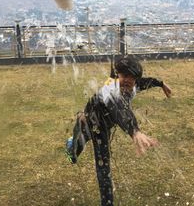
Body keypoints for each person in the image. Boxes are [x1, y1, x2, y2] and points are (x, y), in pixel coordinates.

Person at [65, 56, 172, 206]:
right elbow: (119, 109)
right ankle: (71, 146)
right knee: (75, 153)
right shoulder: (110, 89)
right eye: (125, 75)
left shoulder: (133, 85)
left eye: (132, 77)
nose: (128, 80)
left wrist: (160, 84)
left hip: (102, 130)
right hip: (87, 123)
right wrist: (134, 131)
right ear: (117, 75)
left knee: (104, 166)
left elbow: (144, 82)